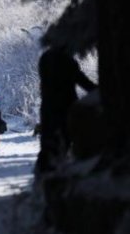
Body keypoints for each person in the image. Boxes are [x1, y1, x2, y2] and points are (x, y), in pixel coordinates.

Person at [34, 46, 97, 176]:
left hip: (47, 107)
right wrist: (100, 92)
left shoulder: (45, 58)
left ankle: (44, 176)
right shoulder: (67, 60)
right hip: (66, 108)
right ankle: (62, 174)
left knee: (48, 142)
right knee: (66, 141)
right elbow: (83, 82)